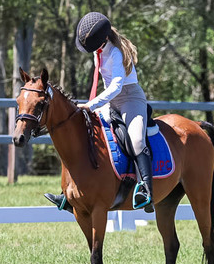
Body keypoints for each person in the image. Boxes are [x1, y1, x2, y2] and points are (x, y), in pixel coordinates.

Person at [45, 12, 154, 213]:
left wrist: (92, 104)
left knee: (137, 139)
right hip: (110, 101)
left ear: (103, 39)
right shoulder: (99, 53)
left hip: (130, 98)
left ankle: (146, 189)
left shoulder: (116, 53)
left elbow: (116, 86)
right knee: (81, 130)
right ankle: (69, 192)